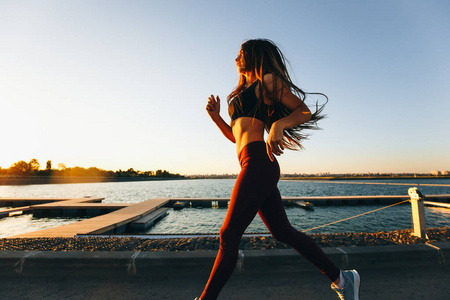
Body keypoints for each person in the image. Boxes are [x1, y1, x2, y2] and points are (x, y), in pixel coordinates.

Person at [198, 39, 360, 300]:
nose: (237, 58)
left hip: (259, 163)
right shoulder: (242, 91)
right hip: (251, 163)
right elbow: (235, 137)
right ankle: (343, 279)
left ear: (255, 55)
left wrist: (278, 125)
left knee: (228, 234)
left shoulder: (268, 80)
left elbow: (304, 111)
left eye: (242, 53)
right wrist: (216, 117)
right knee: (283, 232)